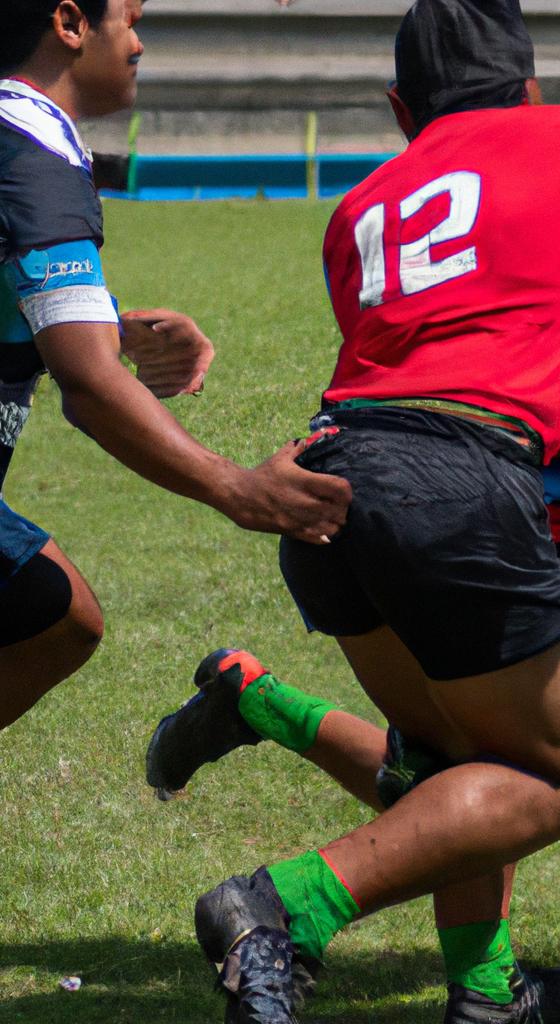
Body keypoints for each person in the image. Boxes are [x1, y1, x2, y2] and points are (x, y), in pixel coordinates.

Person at [153, 0, 560, 1020]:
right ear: (532, 85)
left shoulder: (359, 208)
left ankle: (485, 993)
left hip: (330, 478)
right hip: (459, 482)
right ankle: (283, 905)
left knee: (456, 765)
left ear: (395, 107)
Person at [0, 0, 351, 735]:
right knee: (55, 611)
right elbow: (91, 390)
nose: (139, 42)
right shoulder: (33, 159)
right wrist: (241, 489)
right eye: (129, 19)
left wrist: (111, 325)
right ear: (70, 25)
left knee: (58, 614)